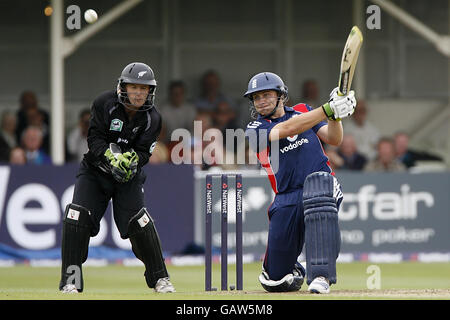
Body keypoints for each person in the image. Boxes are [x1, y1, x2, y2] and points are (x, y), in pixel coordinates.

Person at [59, 62, 175, 294]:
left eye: (144, 88)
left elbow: (144, 152)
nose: (139, 93)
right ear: (123, 87)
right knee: (76, 216)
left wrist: (131, 161)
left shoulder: (153, 118)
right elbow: (94, 140)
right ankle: (70, 281)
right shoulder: (104, 103)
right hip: (95, 172)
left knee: (140, 221)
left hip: (127, 178)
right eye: (134, 87)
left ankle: (161, 279)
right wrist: (111, 158)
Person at [244, 72, 356, 294]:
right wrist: (328, 109)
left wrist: (336, 116)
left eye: (266, 94)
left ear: (281, 96)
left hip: (321, 183)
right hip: (286, 196)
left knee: (318, 198)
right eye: (256, 97)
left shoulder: (304, 111)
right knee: (274, 281)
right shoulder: (254, 130)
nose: (261, 101)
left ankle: (321, 275)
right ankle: (295, 268)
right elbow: (288, 129)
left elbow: (334, 139)